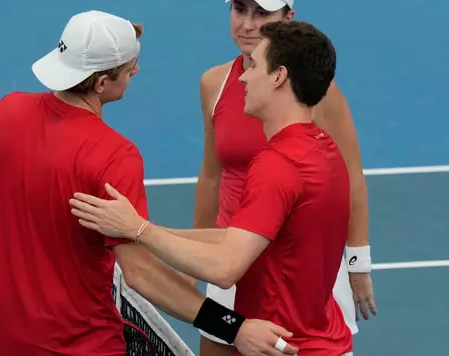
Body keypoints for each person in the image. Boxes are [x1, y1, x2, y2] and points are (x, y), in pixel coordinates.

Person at [0, 10, 299, 356]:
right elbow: (140, 275)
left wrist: (3, 293)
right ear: (101, 83)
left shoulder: (5, 112)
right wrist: (234, 327)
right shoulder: (115, 156)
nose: (135, 71)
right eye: (128, 68)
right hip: (84, 346)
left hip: (4, 342)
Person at [70, 20, 355, 356]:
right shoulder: (323, 148)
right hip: (325, 343)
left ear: (278, 77)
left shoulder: (277, 165)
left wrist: (139, 229)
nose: (243, 76)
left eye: (253, 66)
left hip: (285, 347)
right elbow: (240, 238)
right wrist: (140, 231)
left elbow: (225, 268)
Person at [191, 0, 377, 354]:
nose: (247, 24)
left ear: (287, 20)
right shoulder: (214, 84)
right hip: (230, 254)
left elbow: (350, 175)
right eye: (240, 9)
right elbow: (211, 176)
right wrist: (196, 259)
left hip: (298, 271)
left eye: (262, 13)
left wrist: (357, 261)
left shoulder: (318, 93)